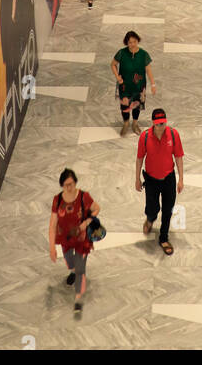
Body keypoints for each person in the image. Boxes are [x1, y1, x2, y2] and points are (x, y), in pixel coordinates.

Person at [49, 168, 100, 313]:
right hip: (65, 238)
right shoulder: (57, 200)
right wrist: (52, 247)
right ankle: (72, 271)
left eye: (71, 184)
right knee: (69, 261)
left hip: (81, 240)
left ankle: (78, 298)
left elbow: (97, 208)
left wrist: (87, 222)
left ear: (75, 182)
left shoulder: (84, 197)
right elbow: (52, 225)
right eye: (65, 185)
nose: (69, 188)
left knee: (80, 268)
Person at [136, 109, 184, 256]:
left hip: (168, 178)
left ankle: (164, 237)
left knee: (168, 209)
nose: (160, 127)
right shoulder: (144, 137)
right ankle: (150, 219)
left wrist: (181, 179)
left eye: (162, 123)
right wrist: (137, 178)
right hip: (151, 180)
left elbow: (178, 157)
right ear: (153, 123)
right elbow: (139, 159)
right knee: (152, 208)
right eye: (157, 124)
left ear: (166, 121)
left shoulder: (173, 135)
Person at [112, 30, 155, 134]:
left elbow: (148, 70)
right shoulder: (122, 52)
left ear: (137, 41)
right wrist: (117, 77)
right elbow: (113, 64)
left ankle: (135, 123)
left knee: (137, 105)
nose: (132, 44)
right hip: (124, 86)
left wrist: (153, 84)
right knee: (124, 106)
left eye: (134, 41)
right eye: (130, 42)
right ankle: (126, 123)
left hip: (139, 86)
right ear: (126, 42)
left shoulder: (144, 54)